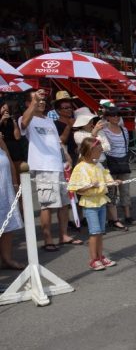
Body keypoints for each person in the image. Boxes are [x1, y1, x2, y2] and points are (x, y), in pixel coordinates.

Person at [19, 90, 80, 250]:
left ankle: (63, 235)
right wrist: (34, 102)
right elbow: (23, 124)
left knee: (64, 203)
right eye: (36, 99)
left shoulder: (48, 120)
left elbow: (57, 141)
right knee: (47, 205)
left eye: (42, 99)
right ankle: (48, 240)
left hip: (59, 165)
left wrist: (66, 156)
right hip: (43, 166)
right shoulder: (26, 118)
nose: (41, 101)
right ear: (28, 103)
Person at [67, 137, 120, 271]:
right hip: (90, 204)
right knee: (94, 232)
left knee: (100, 232)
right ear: (90, 151)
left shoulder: (98, 165)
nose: (101, 152)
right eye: (98, 150)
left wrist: (114, 182)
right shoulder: (80, 167)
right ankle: (93, 259)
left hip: (101, 201)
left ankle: (100, 256)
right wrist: (90, 185)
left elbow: (107, 179)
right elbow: (75, 188)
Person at [102, 106, 135, 228]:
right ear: (107, 117)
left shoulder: (124, 129)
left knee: (125, 191)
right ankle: (112, 218)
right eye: (112, 115)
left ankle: (128, 216)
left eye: (117, 115)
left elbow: (126, 146)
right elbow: (104, 147)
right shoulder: (104, 130)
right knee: (111, 192)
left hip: (123, 162)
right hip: (110, 163)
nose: (116, 117)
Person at [0, 132, 23, 270]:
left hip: (4, 189)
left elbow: (9, 160)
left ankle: (7, 258)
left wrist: (15, 185)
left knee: (7, 225)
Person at [0, 101, 26, 188]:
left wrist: (14, 122)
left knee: (17, 172)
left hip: (13, 148)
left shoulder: (13, 120)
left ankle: (19, 190)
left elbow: (17, 137)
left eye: (7, 110)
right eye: (3, 108)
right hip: (2, 148)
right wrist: (2, 120)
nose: (5, 111)